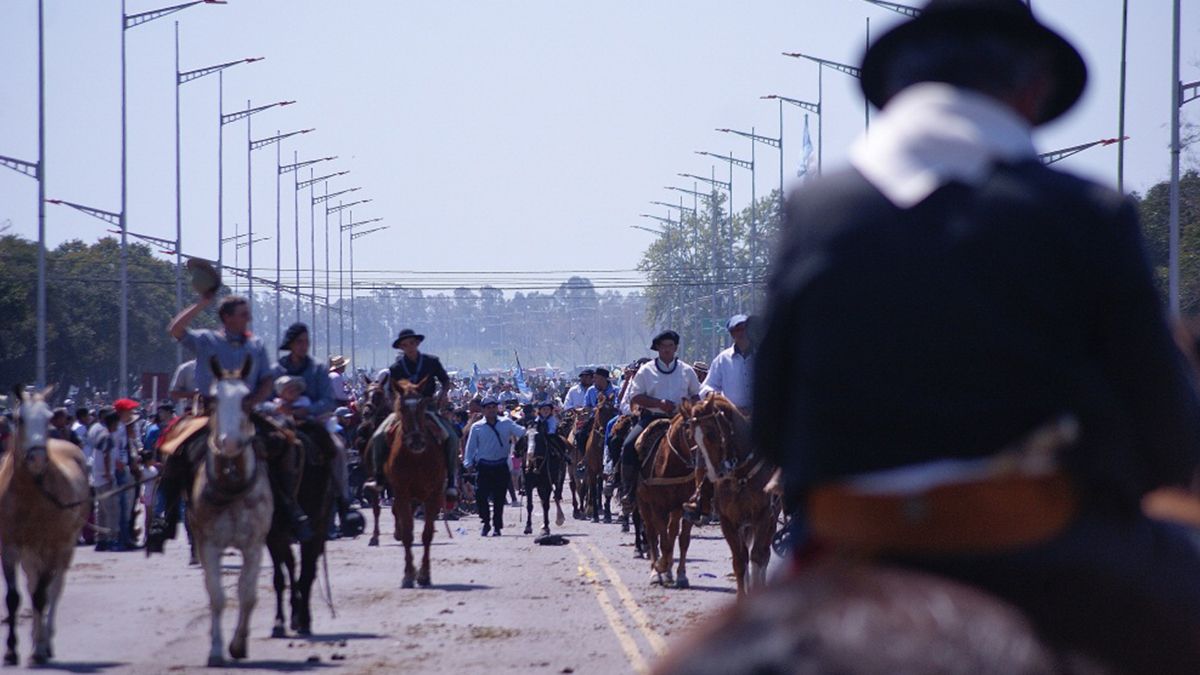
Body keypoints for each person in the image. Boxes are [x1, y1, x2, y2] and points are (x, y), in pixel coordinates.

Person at [754, 1, 1200, 671]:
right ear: (1031, 90)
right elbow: (1167, 437)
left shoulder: (817, 211)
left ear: (900, 90)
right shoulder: (1084, 211)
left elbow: (773, 429)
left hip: (848, 544)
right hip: (1044, 547)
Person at [148, 292, 313, 555]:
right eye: (243, 314)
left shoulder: (256, 345)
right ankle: (162, 519)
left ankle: (290, 507)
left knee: (284, 444)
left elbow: (267, 380)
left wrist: (254, 401)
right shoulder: (206, 340)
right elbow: (176, 329)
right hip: (208, 412)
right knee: (176, 452)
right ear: (226, 317)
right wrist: (202, 303)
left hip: (247, 411)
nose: (248, 318)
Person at [270, 322, 355, 521]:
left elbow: (328, 401)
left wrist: (306, 409)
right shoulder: (277, 369)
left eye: (306, 342)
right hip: (281, 422)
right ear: (290, 344)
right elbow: (264, 400)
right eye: (299, 342)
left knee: (338, 448)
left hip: (312, 421)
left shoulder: (317, 369)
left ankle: (344, 501)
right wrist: (277, 408)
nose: (303, 346)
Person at [367, 328, 460, 500]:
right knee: (379, 436)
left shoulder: (432, 362)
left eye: (411, 343)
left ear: (417, 343)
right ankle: (378, 477)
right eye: (404, 345)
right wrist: (397, 404)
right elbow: (390, 390)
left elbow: (445, 381)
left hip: (427, 407)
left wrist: (442, 395)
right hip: (404, 410)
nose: (409, 347)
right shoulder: (395, 368)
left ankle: (452, 481)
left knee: (452, 437)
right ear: (401, 347)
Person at [619, 331, 700, 511]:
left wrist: (686, 405)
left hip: (681, 420)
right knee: (628, 445)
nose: (667, 350)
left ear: (675, 348)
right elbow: (636, 396)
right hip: (652, 418)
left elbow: (696, 394)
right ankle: (629, 491)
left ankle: (704, 494)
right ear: (657, 349)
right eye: (663, 346)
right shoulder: (646, 370)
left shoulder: (687, 370)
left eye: (670, 346)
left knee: (704, 445)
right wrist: (658, 404)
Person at [464, 398, 525, 536]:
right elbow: (471, 447)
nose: (491, 409)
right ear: (483, 410)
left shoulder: (506, 423)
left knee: (499, 498)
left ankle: (497, 526)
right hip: (484, 466)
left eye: (493, 407)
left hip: (501, 466)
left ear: (497, 408)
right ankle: (485, 522)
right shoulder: (477, 427)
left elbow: (522, 432)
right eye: (488, 407)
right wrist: (468, 463)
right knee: (481, 496)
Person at [90, 408, 121, 552]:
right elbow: (107, 455)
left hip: (97, 478)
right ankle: (112, 539)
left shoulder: (100, 435)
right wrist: (109, 473)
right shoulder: (107, 436)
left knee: (101, 511)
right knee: (112, 510)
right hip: (105, 478)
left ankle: (101, 540)